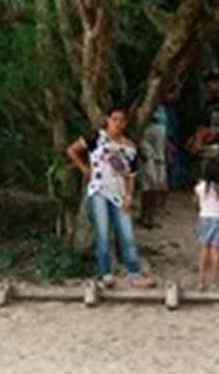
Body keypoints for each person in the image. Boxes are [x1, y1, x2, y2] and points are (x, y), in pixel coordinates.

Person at [66, 104, 156, 289]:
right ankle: (105, 274)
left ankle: (134, 274)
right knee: (103, 233)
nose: (118, 124)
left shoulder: (130, 146)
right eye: (114, 119)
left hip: (119, 193)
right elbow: (72, 150)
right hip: (99, 190)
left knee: (127, 234)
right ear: (108, 120)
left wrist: (129, 195)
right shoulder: (96, 138)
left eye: (121, 120)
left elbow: (131, 175)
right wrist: (84, 169)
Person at [194, 158, 219, 291]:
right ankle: (214, 283)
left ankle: (200, 281)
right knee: (215, 250)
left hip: (204, 218)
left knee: (203, 250)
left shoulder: (200, 187)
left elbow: (196, 203)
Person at [136, 107, 168, 228]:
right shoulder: (160, 128)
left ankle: (147, 216)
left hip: (152, 160)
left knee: (149, 189)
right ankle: (148, 217)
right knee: (151, 190)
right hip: (153, 160)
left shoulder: (148, 129)